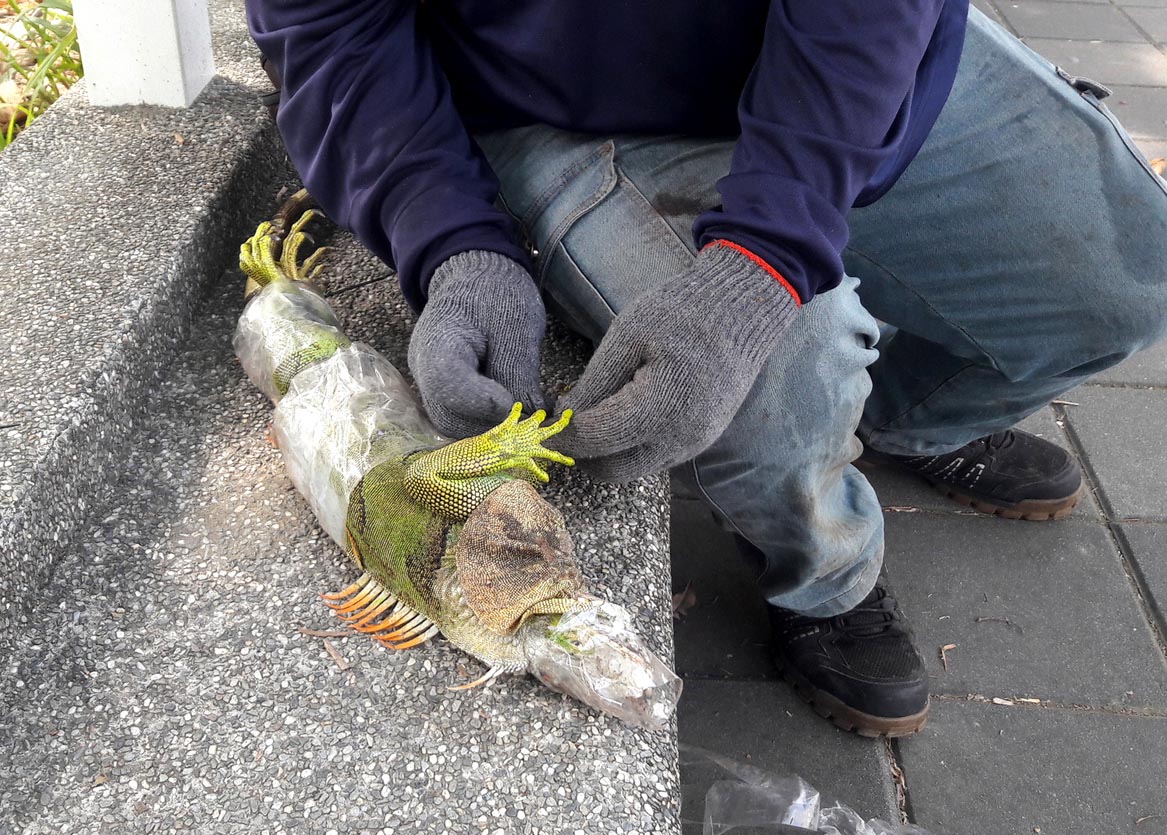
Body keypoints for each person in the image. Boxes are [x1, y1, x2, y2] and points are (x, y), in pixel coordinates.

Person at [246, 1, 1167, 737]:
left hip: (847, 41)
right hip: (537, 104)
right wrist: (450, 239)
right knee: (784, 376)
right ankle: (823, 574)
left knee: (1131, 273)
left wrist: (764, 258)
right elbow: (331, 29)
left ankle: (909, 416)